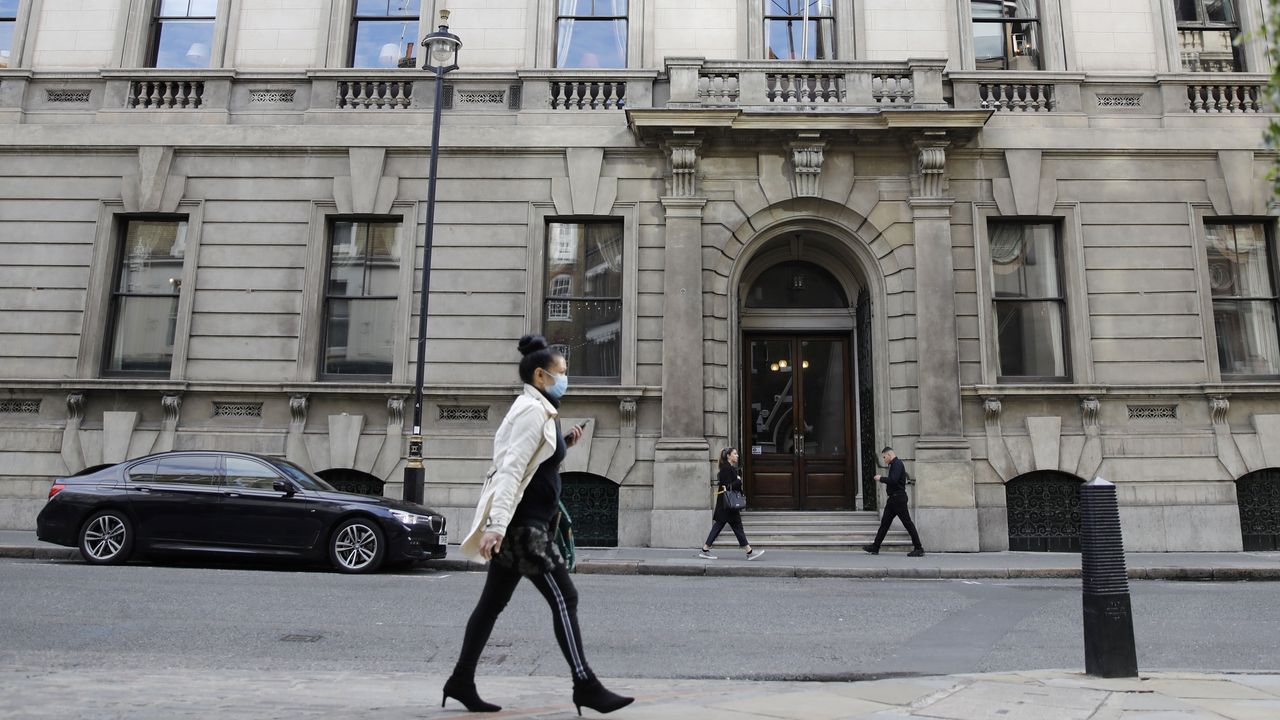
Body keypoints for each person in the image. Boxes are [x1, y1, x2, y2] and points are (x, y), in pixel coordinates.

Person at [445, 335, 634, 715]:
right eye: (562, 372)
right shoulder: (532, 411)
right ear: (540, 374)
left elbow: (533, 459)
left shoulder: (539, 408)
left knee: (491, 605)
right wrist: (496, 526)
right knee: (566, 598)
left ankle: (461, 680)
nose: (567, 378)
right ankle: (585, 685)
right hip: (523, 530)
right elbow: (511, 469)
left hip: (525, 525)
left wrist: (564, 442)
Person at [698, 447, 765, 561]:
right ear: (729, 456)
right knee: (730, 526)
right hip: (727, 504)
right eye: (735, 454)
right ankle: (749, 552)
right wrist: (738, 481)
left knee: (727, 526)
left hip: (727, 505)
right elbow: (728, 486)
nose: (737, 455)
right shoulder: (726, 469)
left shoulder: (728, 468)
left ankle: (749, 551)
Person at [863, 446, 925, 557]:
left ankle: (919, 548)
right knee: (885, 524)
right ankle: (875, 546)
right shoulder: (894, 464)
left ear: (889, 455)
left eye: (884, 457)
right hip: (893, 500)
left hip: (898, 500)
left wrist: (880, 478)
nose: (884, 459)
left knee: (908, 524)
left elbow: (893, 480)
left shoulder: (897, 464)